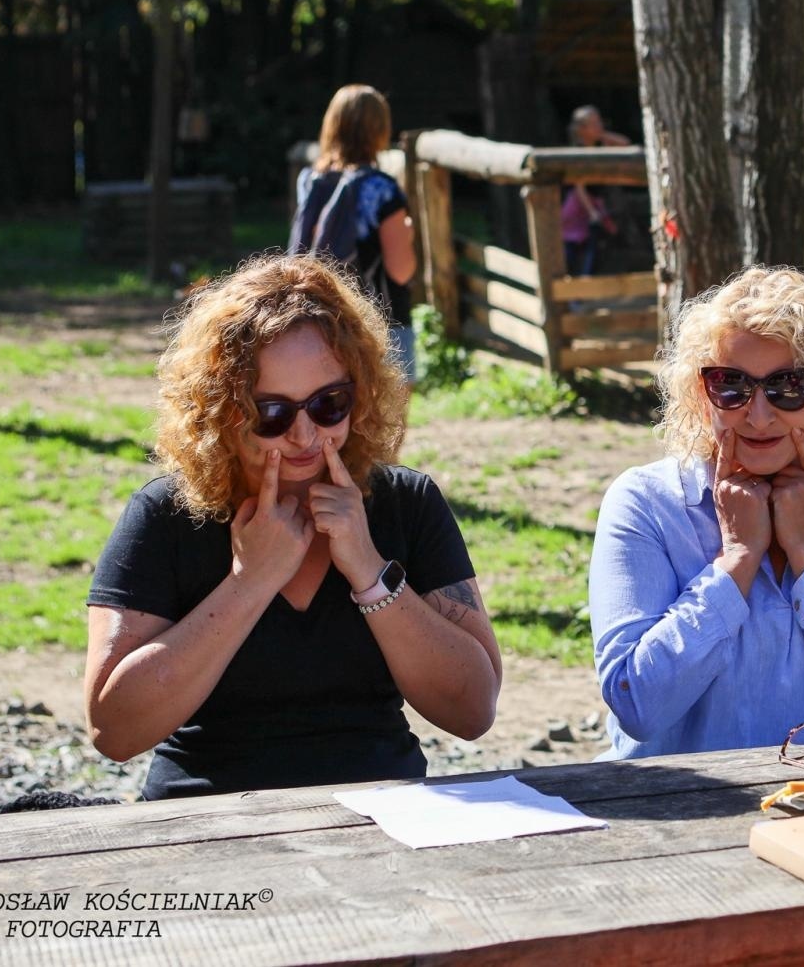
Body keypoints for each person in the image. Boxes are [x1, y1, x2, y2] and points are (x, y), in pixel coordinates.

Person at [84, 255, 501, 800]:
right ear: (221, 411)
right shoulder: (167, 514)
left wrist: (371, 573)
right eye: (273, 413)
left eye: (330, 404)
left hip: (382, 813)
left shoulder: (406, 503)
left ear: (362, 393)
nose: (305, 435)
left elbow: (473, 710)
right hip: (205, 820)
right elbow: (112, 729)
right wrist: (250, 582)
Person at [588, 266, 804, 759]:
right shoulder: (644, 503)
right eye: (730, 385)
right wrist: (736, 560)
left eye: (788, 385)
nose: (758, 415)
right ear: (699, 392)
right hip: (683, 817)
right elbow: (637, 708)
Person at [293, 85, 419, 387]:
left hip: (321, 321)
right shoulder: (380, 189)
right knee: (384, 430)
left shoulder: (311, 181)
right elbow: (400, 271)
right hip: (381, 325)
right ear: (380, 130)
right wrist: (409, 234)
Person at [560, 105, 629, 277]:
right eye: (594, 123)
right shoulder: (577, 151)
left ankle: (584, 285)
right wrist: (592, 212)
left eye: (600, 122)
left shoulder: (601, 146)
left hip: (595, 204)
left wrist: (602, 135)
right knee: (574, 247)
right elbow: (579, 186)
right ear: (582, 129)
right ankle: (575, 287)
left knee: (593, 247)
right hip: (578, 206)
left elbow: (625, 144)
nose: (599, 126)